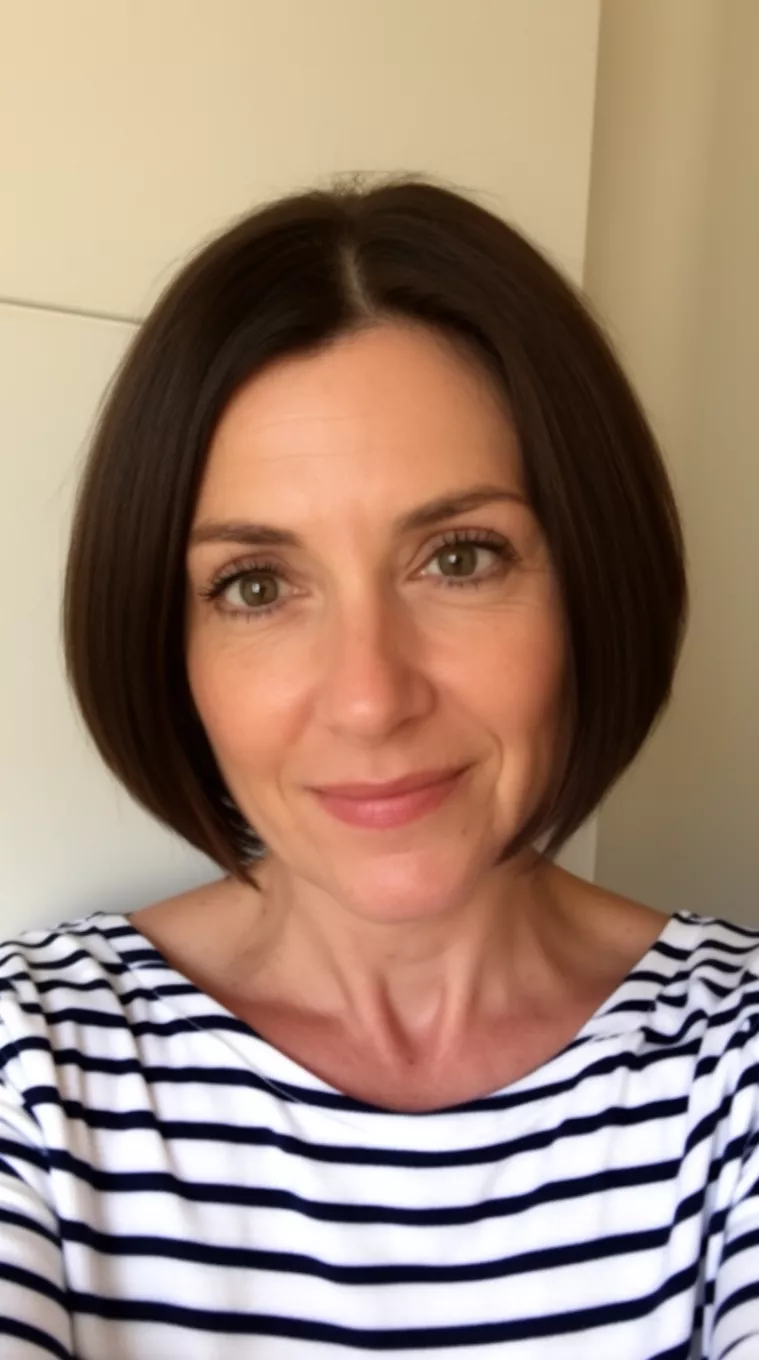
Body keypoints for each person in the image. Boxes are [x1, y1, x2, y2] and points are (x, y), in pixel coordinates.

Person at [0, 174, 755, 1360]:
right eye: (256, 585)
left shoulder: (738, 1066)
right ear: (168, 643)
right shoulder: (26, 1072)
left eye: (459, 557)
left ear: (591, 581)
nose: (369, 695)